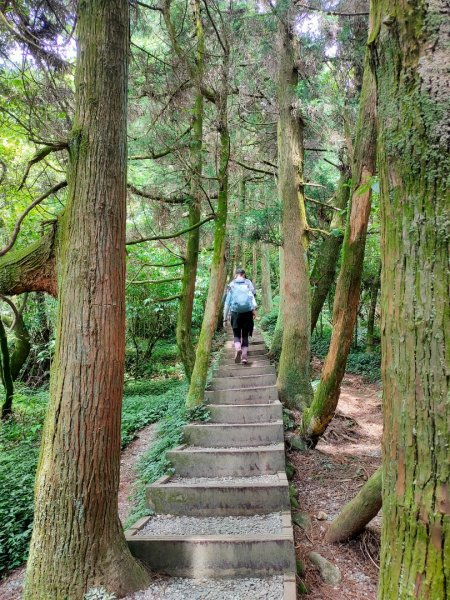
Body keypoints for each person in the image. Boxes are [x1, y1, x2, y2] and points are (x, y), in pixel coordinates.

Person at [223, 268, 257, 364]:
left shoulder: (232, 285)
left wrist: (225, 319)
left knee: (236, 335)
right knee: (245, 336)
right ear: (243, 274)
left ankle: (238, 348)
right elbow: (252, 299)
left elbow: (227, 304)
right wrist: (253, 311)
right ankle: (244, 357)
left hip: (235, 314)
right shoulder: (247, 284)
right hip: (247, 313)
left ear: (236, 274)